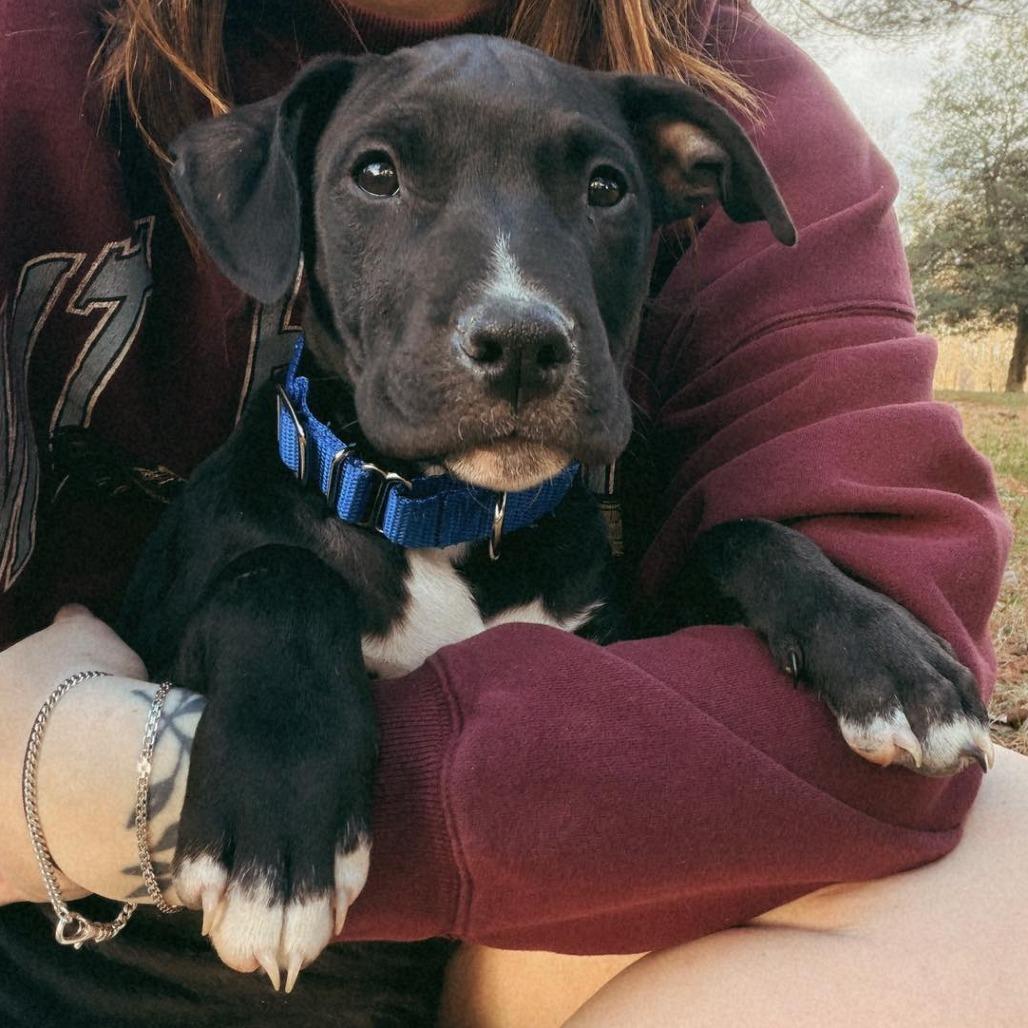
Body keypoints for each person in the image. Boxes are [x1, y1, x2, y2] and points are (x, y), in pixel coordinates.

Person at [1, 1, 1025, 1025]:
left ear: (680, 184)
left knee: (1003, 861)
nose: (515, 314)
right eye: (377, 175)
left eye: (601, 187)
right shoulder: (248, 521)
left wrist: (771, 569)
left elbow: (865, 655)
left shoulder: (733, 83)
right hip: (93, 983)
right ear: (285, 202)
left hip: (487, 968)